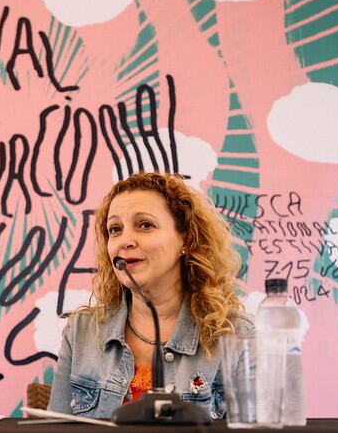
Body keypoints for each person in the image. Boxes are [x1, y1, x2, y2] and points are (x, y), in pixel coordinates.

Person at [47, 172, 253, 419]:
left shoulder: (237, 336)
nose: (125, 241)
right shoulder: (81, 331)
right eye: (115, 229)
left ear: (185, 239)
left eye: (145, 225)